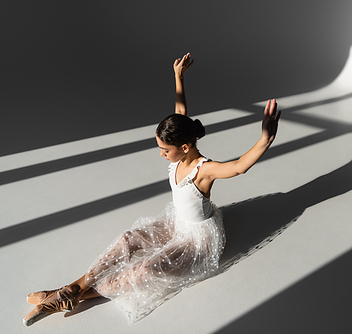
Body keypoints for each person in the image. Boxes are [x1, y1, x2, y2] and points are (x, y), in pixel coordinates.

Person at [23, 52, 281, 326]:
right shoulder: (182, 144)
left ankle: (68, 295)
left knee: (144, 270)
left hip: (197, 239)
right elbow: (180, 113)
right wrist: (178, 78)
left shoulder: (203, 170)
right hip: (177, 222)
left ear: (184, 146)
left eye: (164, 150)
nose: (161, 155)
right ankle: (70, 291)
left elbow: (239, 166)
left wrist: (265, 139)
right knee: (127, 240)